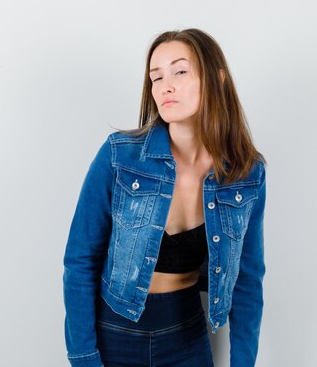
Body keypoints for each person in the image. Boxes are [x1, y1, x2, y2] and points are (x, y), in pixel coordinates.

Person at [62, 28, 267, 367]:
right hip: (114, 334)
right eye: (156, 78)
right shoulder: (119, 157)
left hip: (187, 338)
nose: (165, 86)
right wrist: (84, 357)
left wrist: (242, 362)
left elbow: (247, 279)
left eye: (180, 71)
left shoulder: (246, 173)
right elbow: (80, 261)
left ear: (218, 79)